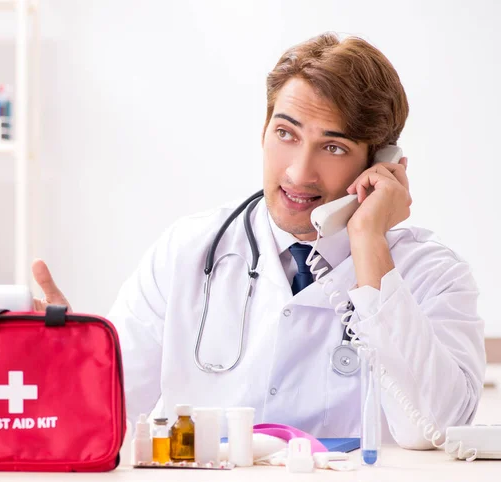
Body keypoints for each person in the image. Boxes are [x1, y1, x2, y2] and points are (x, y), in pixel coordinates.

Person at [32, 32, 485, 449]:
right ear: (263, 130)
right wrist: (72, 365)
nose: (298, 173)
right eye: (285, 134)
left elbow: (433, 431)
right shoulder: (187, 252)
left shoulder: (432, 275)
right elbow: (105, 414)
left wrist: (368, 243)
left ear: (380, 163)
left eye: (333, 147)